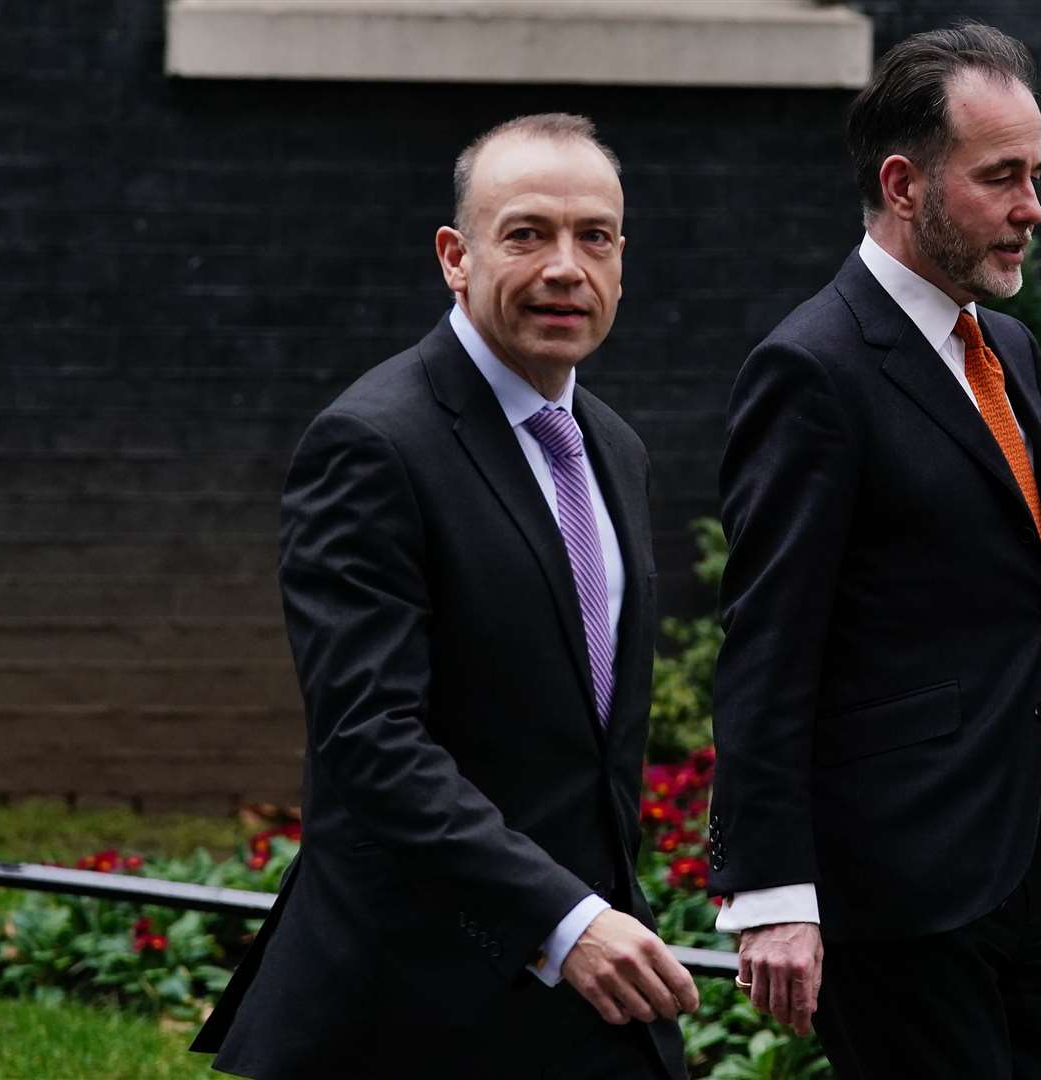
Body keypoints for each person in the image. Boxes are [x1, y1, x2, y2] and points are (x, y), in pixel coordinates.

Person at [191, 113, 695, 1079]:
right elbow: (369, 742)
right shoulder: (373, 446)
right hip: (407, 1012)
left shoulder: (614, 450)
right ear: (455, 257)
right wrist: (566, 920)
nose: (564, 266)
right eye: (526, 234)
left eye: (594, 236)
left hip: (580, 999)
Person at [706, 23, 1041, 1079]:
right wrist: (770, 894)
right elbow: (766, 643)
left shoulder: (1007, 349)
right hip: (904, 889)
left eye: (1034, 175)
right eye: (1000, 178)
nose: (1031, 207)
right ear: (902, 184)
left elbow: (1021, 600)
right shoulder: (810, 369)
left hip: (1039, 859)